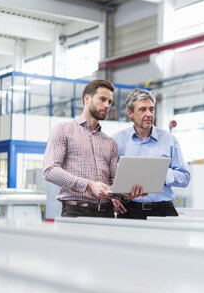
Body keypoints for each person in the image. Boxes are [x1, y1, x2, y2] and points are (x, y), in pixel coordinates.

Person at [43, 79, 143, 218]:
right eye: (102, 99)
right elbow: (50, 170)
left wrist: (124, 195)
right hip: (75, 211)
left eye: (110, 102)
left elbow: (113, 183)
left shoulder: (110, 143)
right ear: (87, 98)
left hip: (106, 213)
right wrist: (89, 185)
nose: (107, 105)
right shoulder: (63, 130)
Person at [112, 88, 190, 219]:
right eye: (142, 109)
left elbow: (185, 178)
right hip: (130, 211)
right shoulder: (117, 141)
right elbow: (107, 177)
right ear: (130, 113)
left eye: (151, 109)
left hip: (164, 210)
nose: (149, 114)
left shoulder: (169, 140)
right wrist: (113, 197)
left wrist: (160, 174)